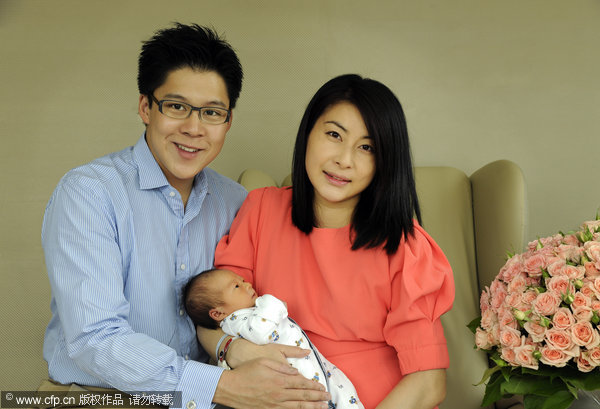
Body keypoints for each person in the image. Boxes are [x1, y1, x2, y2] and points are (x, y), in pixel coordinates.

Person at [40, 23, 330, 409]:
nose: (193, 129)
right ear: (146, 107)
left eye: (212, 112)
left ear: (228, 121)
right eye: (176, 107)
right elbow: (95, 339)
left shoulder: (237, 202)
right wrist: (220, 387)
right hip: (97, 398)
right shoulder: (89, 194)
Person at [198, 74, 455, 409]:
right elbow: (210, 319)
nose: (344, 160)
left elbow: (428, 383)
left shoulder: (404, 245)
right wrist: (234, 349)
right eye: (334, 135)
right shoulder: (261, 210)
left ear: (385, 161)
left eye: (367, 147)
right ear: (308, 134)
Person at [184, 268, 365, 409]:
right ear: (218, 313)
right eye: (237, 286)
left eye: (243, 280)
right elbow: (260, 331)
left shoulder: (249, 312)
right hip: (295, 378)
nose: (247, 285)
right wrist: (271, 302)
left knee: (345, 394)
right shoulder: (233, 322)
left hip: (316, 366)